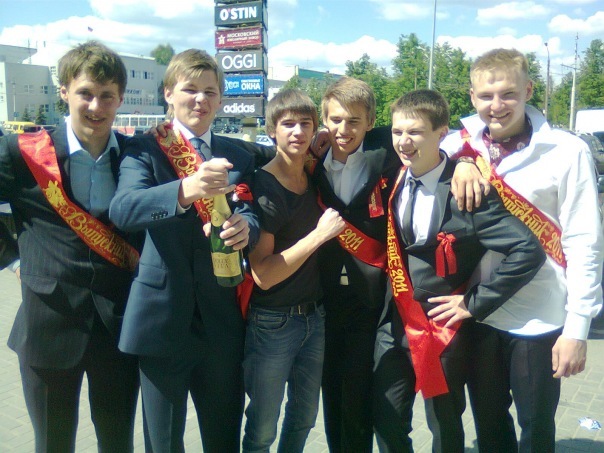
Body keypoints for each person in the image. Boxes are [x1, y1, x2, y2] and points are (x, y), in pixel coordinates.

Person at [442, 48, 604, 452]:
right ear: (472, 96)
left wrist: (577, 329)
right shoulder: (458, 145)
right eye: (486, 96)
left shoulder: (567, 151)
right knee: (489, 427)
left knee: (535, 429)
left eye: (508, 94)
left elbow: (584, 241)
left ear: (529, 90)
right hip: (479, 310)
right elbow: (416, 148)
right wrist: (462, 161)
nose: (496, 106)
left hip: (540, 317)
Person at [372, 89, 546, 452]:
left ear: (441, 133)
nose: (403, 142)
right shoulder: (393, 176)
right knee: (386, 419)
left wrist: (474, 302)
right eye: (397, 131)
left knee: (445, 426)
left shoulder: (468, 189)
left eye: (415, 132)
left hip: (443, 330)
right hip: (395, 320)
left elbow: (527, 250)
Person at [108, 49, 259, 452]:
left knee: (223, 439)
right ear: (168, 94)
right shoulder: (143, 149)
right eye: (190, 89)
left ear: (221, 100)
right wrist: (186, 189)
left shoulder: (239, 154)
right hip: (161, 321)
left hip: (220, 324)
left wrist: (247, 229)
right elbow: (123, 210)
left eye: (210, 91)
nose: (200, 99)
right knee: (162, 443)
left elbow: (252, 210)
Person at [0, 41, 141, 452]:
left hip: (119, 328)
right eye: (85, 93)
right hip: (48, 323)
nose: (96, 106)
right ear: (64, 91)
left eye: (107, 95)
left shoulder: (136, 156)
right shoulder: (22, 153)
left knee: (117, 442)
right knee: (53, 444)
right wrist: (12, 259)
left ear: (120, 98)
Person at [242, 88, 345, 452]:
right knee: (262, 429)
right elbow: (264, 274)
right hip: (273, 322)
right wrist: (319, 236)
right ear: (272, 130)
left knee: (303, 418)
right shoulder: (265, 186)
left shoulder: (311, 173)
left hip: (314, 317)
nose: (298, 132)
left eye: (305, 123)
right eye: (288, 124)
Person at [310, 76, 399, 452]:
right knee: (331, 392)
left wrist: (466, 165)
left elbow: (439, 141)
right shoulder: (311, 161)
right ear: (324, 120)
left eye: (353, 121)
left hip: (372, 300)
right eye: (335, 120)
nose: (343, 130)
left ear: (371, 122)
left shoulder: (387, 152)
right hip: (326, 298)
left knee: (361, 395)